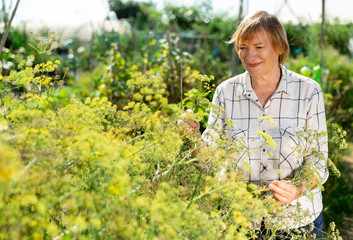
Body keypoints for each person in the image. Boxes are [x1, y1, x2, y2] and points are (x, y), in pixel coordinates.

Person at [183, 11, 328, 239]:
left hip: (296, 220)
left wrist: (296, 189)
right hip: (240, 219)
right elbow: (209, 159)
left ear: (279, 48)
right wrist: (192, 136)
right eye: (242, 47)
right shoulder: (225, 92)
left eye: (258, 47)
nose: (249, 55)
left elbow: (318, 157)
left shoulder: (308, 91)